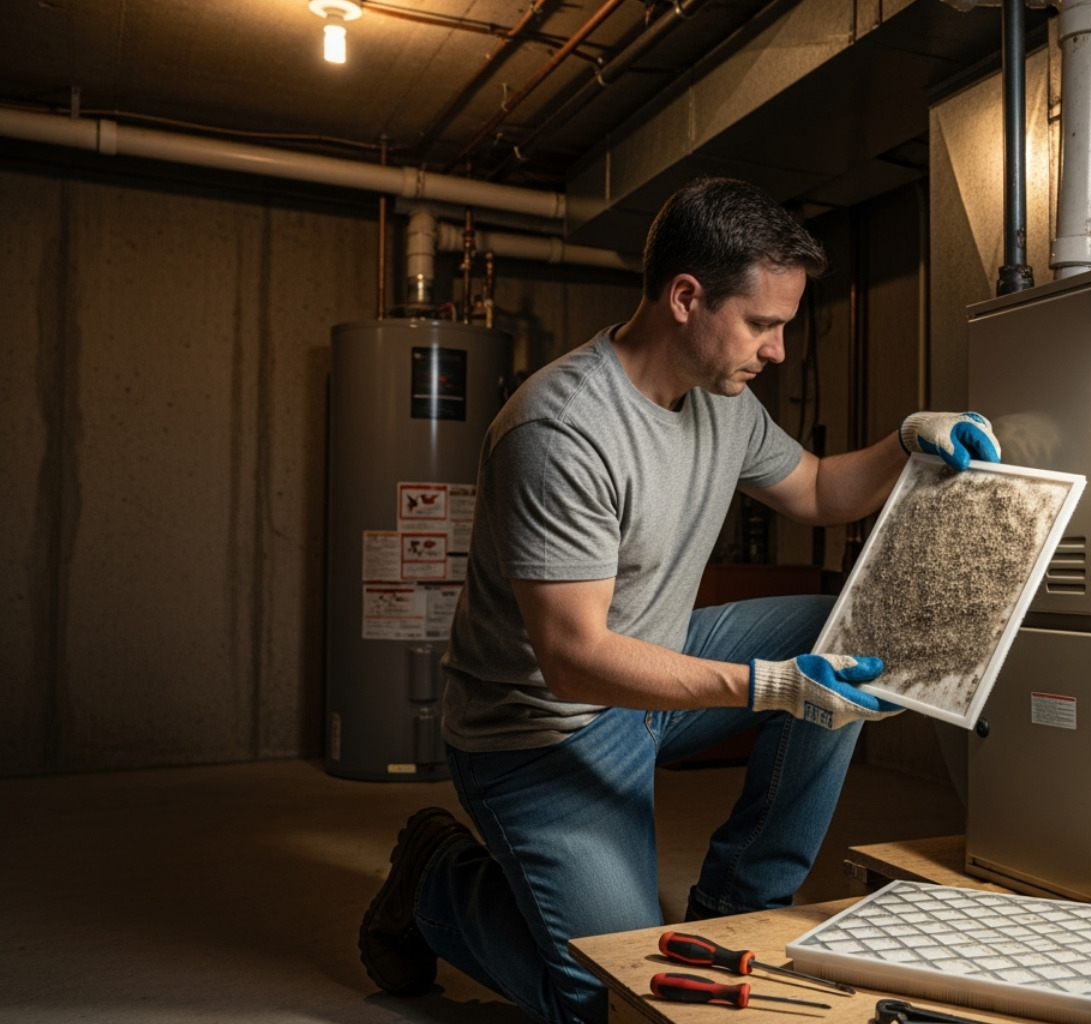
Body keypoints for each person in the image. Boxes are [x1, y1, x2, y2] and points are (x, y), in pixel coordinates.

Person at [358, 176, 1000, 1024]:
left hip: (652, 678)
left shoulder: (719, 399)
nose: (775, 350)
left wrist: (908, 440)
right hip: (542, 731)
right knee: (608, 1000)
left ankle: (738, 910)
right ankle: (438, 880)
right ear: (685, 298)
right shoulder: (561, 429)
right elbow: (574, 658)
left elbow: (814, 489)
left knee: (845, 633)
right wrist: (768, 686)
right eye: (763, 324)